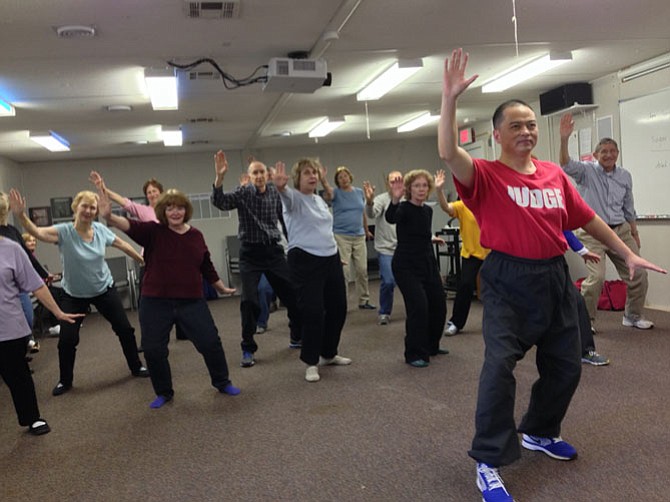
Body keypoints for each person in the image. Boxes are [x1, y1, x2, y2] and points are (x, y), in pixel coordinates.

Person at [437, 48, 665, 502]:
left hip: (554, 277)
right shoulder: (483, 175)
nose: (525, 130)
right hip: (507, 279)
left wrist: (628, 254)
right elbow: (448, 150)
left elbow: (588, 220)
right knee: (499, 367)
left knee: (565, 365)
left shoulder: (553, 177)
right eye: (515, 125)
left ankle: (538, 431)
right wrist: (449, 100)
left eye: (529, 124)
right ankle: (488, 461)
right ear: (498, 134)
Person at [98, 187, 239, 408]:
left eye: (180, 207)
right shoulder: (154, 232)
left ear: (186, 210)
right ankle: (164, 392)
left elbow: (206, 265)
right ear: (163, 211)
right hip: (155, 302)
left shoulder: (196, 235)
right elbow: (131, 226)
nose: (175, 212)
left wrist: (220, 286)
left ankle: (222, 382)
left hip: (191, 300)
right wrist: (109, 216)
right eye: (170, 208)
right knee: (154, 349)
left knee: (210, 342)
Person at [9, 188, 150, 397]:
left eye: (93, 207)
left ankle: (136, 366)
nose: (89, 210)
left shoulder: (101, 231)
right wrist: (20, 215)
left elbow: (123, 245)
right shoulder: (64, 231)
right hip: (73, 295)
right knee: (68, 339)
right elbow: (38, 233)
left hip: (104, 289)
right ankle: (65, 380)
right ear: (76, 207)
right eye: (85, 205)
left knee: (124, 329)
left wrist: (144, 262)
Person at [559, 114, 653, 331]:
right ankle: (586, 321)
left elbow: (628, 205)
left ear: (617, 154)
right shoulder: (586, 171)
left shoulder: (624, 176)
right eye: (604, 152)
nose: (608, 155)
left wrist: (634, 231)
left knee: (639, 274)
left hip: (620, 231)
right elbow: (565, 164)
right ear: (595, 155)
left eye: (612, 151)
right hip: (592, 232)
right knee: (597, 277)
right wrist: (564, 140)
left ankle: (632, 315)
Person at [210, 151, 302, 368]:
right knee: (249, 301)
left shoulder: (274, 193)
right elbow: (220, 202)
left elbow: (285, 220)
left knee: (293, 295)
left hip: (273, 252)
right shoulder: (243, 193)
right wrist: (219, 177)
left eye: (262, 172)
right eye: (255, 173)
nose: (259, 176)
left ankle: (297, 335)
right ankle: (248, 348)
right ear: (249, 176)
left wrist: (295, 247)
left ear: (267, 176)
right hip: (250, 254)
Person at [273, 159, 351, 383]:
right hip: (305, 260)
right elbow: (285, 194)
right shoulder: (293, 198)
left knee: (338, 308)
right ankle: (311, 362)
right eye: (307, 173)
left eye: (315, 172)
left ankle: (328, 353)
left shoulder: (318, 199)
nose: (312, 176)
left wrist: (335, 257)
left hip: (330, 258)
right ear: (297, 178)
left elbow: (323, 228)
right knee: (313, 312)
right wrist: (280, 186)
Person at [88, 172, 188, 342]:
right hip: (150, 261)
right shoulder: (144, 210)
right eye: (149, 192)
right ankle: (147, 338)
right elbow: (122, 201)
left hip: (172, 261)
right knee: (146, 302)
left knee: (177, 296)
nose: (152, 194)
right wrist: (102, 188)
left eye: (155, 191)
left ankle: (183, 330)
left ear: (161, 192)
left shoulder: (171, 211)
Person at [0, 236, 83, 435]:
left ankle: (32, 418)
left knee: (17, 376)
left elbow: (36, 285)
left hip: (8, 328)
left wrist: (58, 313)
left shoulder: (11, 249)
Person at [385, 170, 448, 367]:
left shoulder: (427, 211)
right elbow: (391, 217)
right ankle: (413, 353)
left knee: (439, 304)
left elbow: (419, 233)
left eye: (424, 186)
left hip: (426, 263)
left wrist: (431, 239)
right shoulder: (403, 208)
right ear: (409, 189)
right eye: (417, 186)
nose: (421, 189)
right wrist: (394, 200)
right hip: (405, 266)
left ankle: (431, 345)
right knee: (419, 307)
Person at [435, 180, 490, 336]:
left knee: (499, 288)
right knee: (465, 286)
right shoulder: (463, 205)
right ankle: (456, 322)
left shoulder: (490, 203)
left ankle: (503, 322)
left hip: (492, 253)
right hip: (471, 253)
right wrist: (439, 191)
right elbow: (446, 207)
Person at [1, 192, 52, 353]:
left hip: (19, 288)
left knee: (27, 321)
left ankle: (22, 353)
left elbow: (28, 256)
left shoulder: (12, 231)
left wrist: (44, 274)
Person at [322, 166, 376, 310]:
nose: (344, 179)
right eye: (340, 177)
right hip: (341, 235)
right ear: (337, 181)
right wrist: (322, 178)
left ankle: (364, 300)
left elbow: (362, 212)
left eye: (345, 176)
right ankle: (341, 303)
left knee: (362, 269)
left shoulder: (359, 192)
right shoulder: (336, 193)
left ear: (350, 177)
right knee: (344, 272)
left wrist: (366, 229)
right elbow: (327, 190)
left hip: (359, 236)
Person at [563, 231, 610, 366]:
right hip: (519, 264)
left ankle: (585, 351)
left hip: (552, 264)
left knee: (577, 301)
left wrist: (582, 250)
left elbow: (562, 227)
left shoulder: (555, 209)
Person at [363, 171, 402, 325]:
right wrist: (369, 201)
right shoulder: (381, 199)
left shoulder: (407, 200)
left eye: (399, 180)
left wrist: (430, 237)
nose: (396, 183)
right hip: (386, 248)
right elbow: (371, 214)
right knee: (389, 281)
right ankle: (384, 312)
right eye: (392, 181)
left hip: (404, 248)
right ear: (387, 184)